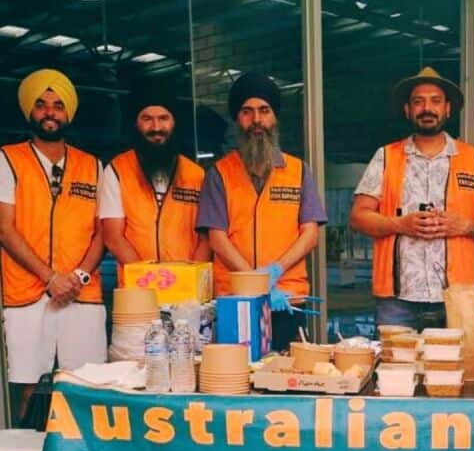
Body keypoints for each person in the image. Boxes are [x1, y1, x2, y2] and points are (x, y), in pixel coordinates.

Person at [348, 67, 474, 330]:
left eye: (435, 101)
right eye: (418, 102)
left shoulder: (473, 158)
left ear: (448, 109)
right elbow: (358, 217)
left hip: (456, 297)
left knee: (454, 370)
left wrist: (464, 226)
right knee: (396, 370)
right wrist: (399, 224)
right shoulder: (385, 157)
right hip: (397, 300)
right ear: (408, 110)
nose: (427, 108)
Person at [0, 69, 107, 421]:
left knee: (86, 386)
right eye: (42, 105)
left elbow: (102, 233)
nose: (50, 112)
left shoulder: (92, 165)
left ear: (68, 113)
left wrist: (77, 276)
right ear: (30, 111)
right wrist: (50, 278)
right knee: (26, 387)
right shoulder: (8, 160)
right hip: (27, 293)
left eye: (58, 105)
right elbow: (5, 229)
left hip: (81, 293)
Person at [196, 72, 327, 351]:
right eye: (247, 112)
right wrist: (258, 283)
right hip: (235, 300)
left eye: (264, 111)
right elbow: (217, 238)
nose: (256, 120)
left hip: (288, 299)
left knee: (285, 377)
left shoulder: (298, 171)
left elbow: (310, 233)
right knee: (237, 376)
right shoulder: (219, 173)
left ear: (274, 117)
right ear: (237, 119)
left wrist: (275, 271)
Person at [101, 82, 209, 264]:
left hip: (187, 286)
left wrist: (192, 277)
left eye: (163, 118)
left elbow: (206, 239)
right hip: (137, 287)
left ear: (174, 122)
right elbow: (113, 238)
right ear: (136, 123)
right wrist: (147, 277)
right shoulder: (117, 170)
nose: (156, 127)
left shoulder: (196, 174)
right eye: (147, 119)